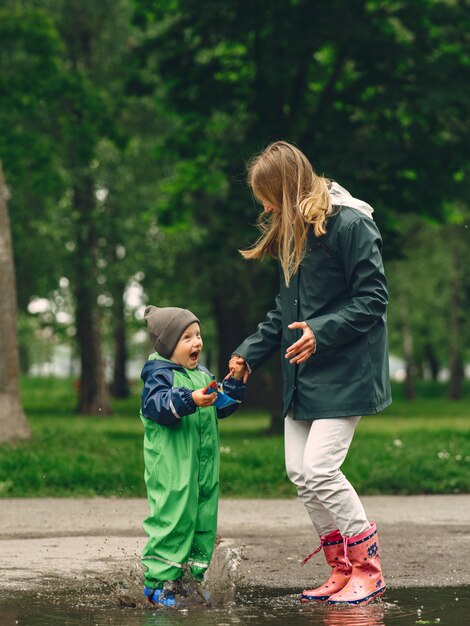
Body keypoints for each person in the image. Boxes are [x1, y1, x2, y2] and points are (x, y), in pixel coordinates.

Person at [229, 141, 391, 606]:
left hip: (347, 371)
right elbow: (284, 314)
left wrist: (320, 331)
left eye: (267, 195)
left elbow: (373, 300)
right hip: (303, 374)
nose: (264, 206)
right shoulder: (292, 232)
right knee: (299, 471)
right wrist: (248, 353)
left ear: (287, 185)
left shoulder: (352, 224)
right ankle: (340, 570)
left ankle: (369, 568)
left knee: (321, 469)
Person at [140, 305, 246, 607]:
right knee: (173, 518)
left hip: (203, 467)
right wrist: (189, 399)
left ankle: (189, 580)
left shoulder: (202, 375)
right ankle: (157, 583)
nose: (196, 342)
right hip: (173, 468)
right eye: (187, 337)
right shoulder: (158, 375)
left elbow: (223, 405)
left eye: (198, 335)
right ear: (168, 345)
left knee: (203, 519)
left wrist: (235, 382)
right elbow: (157, 405)